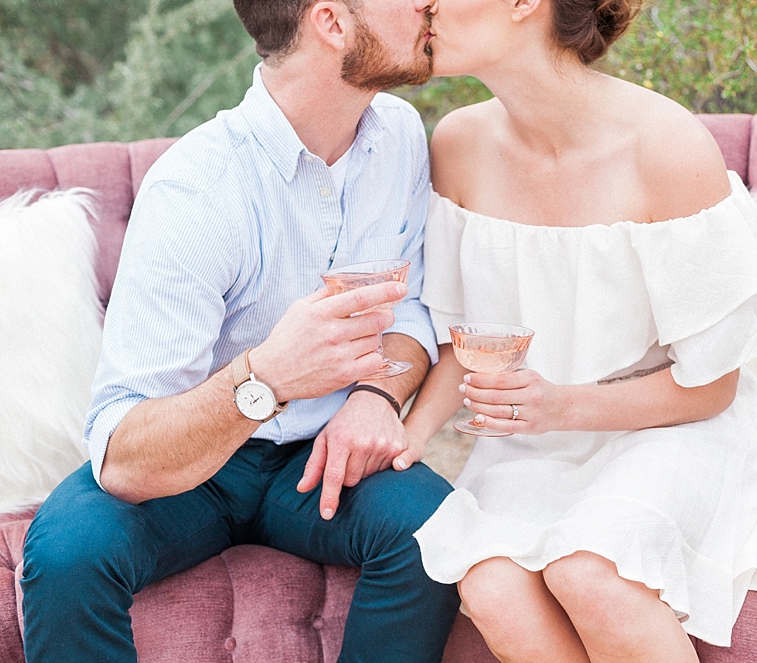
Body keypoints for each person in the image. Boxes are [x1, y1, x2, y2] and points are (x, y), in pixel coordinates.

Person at [19, 1, 461, 662]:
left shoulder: (398, 136)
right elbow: (125, 454)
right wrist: (268, 376)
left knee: (437, 529)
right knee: (66, 555)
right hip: (192, 462)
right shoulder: (196, 190)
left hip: (319, 456)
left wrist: (374, 395)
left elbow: (413, 312)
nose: (429, 3)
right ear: (331, 22)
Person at [392, 0, 757, 661]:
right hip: (533, 446)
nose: (422, 4)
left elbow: (712, 386)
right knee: (490, 585)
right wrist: (402, 436)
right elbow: (461, 342)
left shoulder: (665, 148)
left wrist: (561, 404)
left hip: (669, 427)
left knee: (591, 572)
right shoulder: (457, 144)